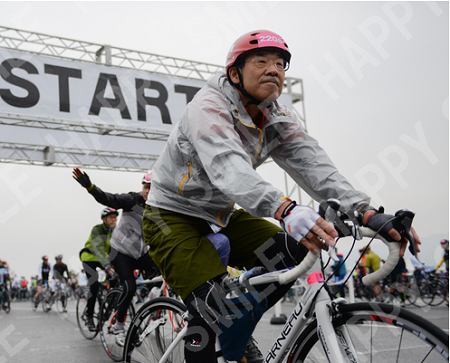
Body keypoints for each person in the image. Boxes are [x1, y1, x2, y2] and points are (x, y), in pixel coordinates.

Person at [142, 30, 421, 363]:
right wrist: (284, 209)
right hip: (171, 215)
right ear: (234, 73)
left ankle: (236, 330)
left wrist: (365, 210)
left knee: (293, 251)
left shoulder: (278, 116)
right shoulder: (208, 105)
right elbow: (227, 167)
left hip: (221, 215)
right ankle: (218, 324)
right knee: (210, 310)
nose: (273, 69)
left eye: (279, 64)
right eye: (261, 61)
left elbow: (313, 164)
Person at [73, 168, 160, 345]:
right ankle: (119, 325)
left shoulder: (160, 207)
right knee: (128, 286)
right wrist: (89, 186)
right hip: (119, 253)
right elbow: (108, 198)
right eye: (145, 187)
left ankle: (152, 304)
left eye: (152, 188)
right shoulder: (132, 200)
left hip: (141, 253)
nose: (147, 191)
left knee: (163, 273)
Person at [79, 207, 118, 331]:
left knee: (117, 277)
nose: (114, 220)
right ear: (104, 219)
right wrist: (106, 265)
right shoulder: (97, 229)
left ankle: (108, 300)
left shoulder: (114, 231)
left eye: (115, 217)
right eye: (111, 217)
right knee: (94, 285)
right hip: (89, 258)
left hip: (102, 259)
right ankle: (89, 316)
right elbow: (99, 248)